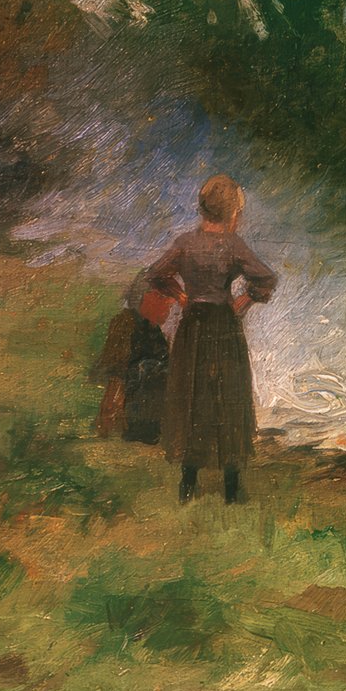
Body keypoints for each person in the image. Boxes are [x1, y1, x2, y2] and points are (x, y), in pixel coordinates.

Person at [147, 174, 278, 504]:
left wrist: (182, 297)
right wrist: (242, 302)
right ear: (232, 211)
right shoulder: (232, 245)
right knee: (227, 397)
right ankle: (231, 489)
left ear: (204, 209)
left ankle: (188, 484)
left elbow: (156, 274)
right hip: (223, 324)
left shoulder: (185, 243)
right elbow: (266, 279)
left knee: (193, 397)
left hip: (193, 326)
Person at [91, 276, 175, 444]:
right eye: (162, 298)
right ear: (145, 297)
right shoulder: (127, 324)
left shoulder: (154, 331)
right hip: (134, 408)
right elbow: (116, 374)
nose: (169, 305)